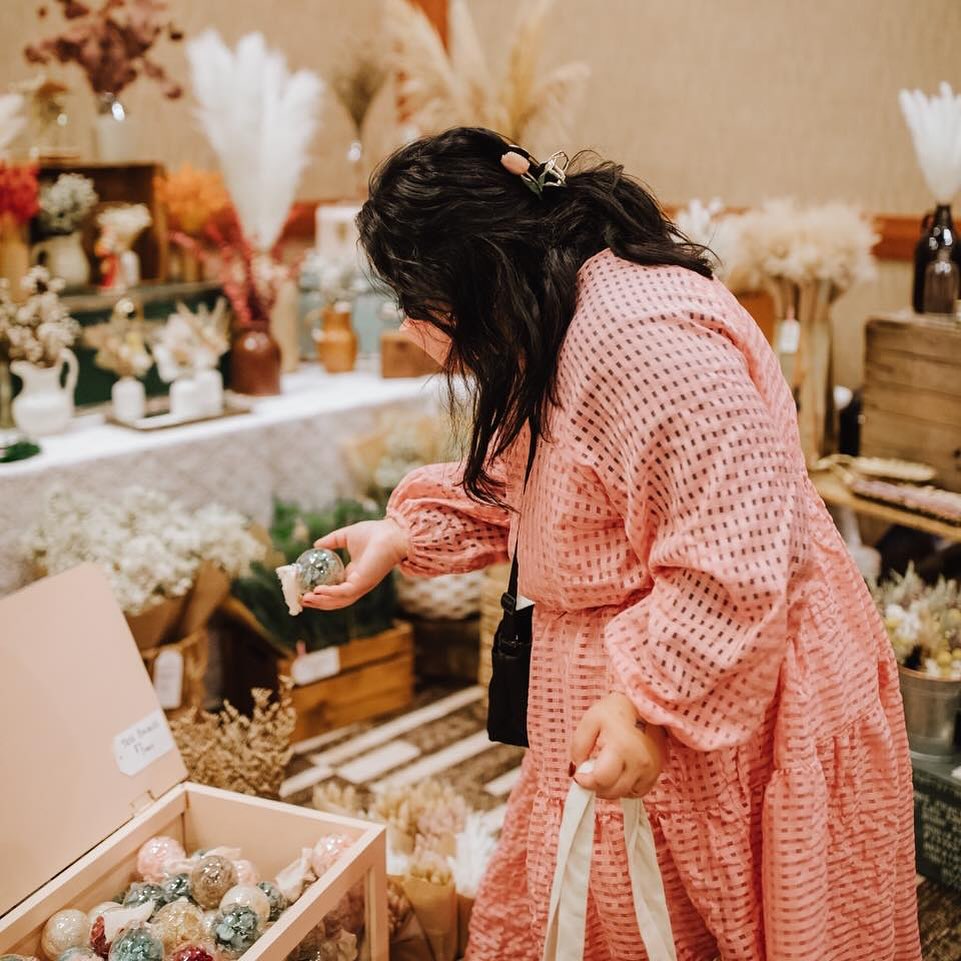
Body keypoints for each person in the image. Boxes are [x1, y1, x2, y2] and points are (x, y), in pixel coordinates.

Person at [303, 127, 922, 961]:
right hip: (630, 709)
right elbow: (551, 491)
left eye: (418, 299)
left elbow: (734, 555)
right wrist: (402, 532)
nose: (415, 324)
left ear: (475, 272)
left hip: (714, 703)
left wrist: (647, 704)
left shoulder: (637, 338)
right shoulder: (557, 311)